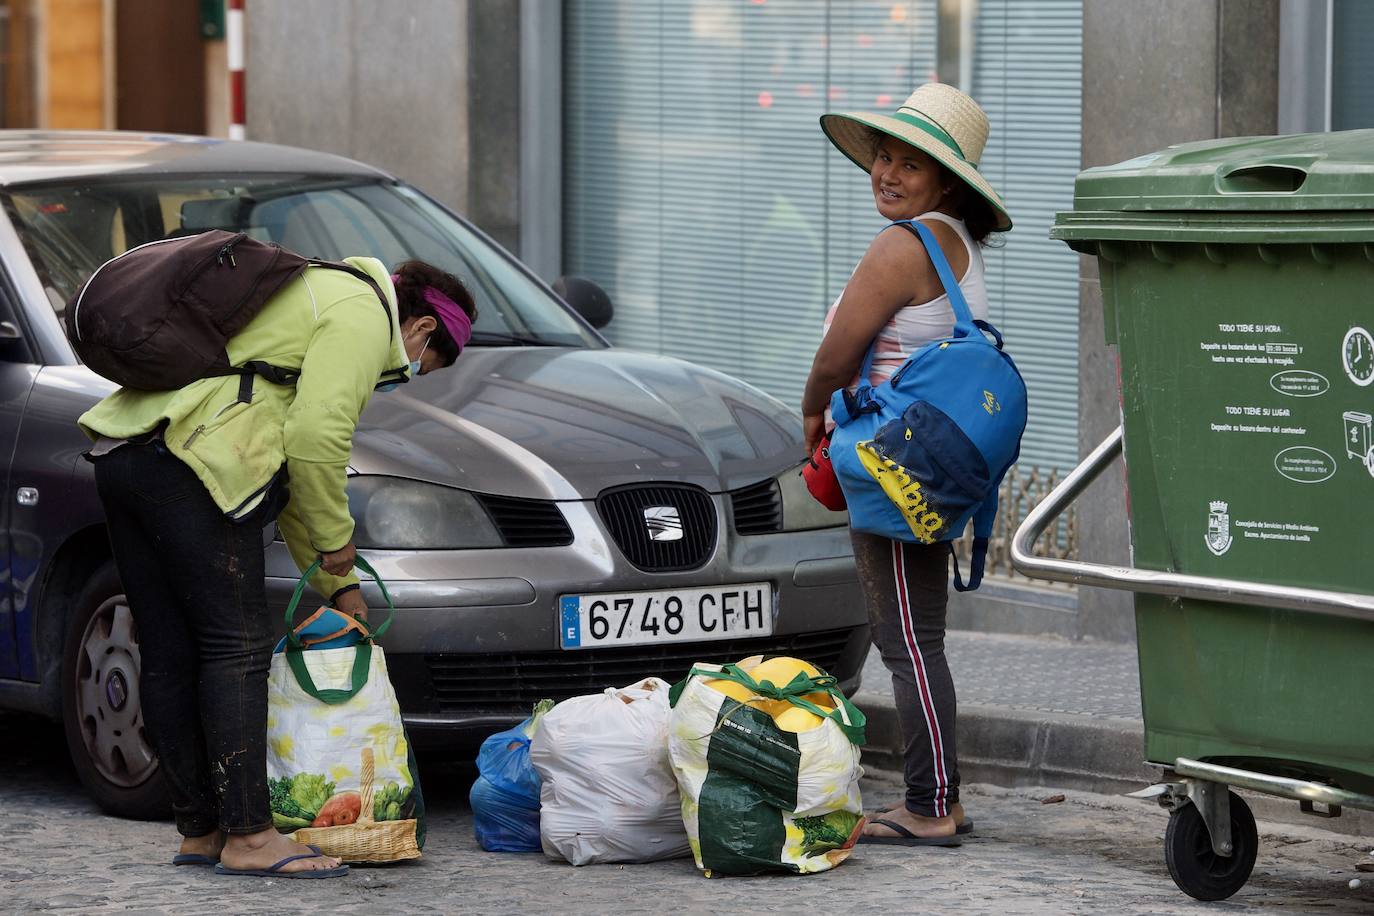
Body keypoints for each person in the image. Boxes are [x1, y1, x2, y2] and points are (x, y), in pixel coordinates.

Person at [78, 255, 476, 877]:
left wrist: (336, 584)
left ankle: (202, 830)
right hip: (196, 463)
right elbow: (316, 441)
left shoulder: (312, 294)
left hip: (131, 451)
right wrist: (340, 546)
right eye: (425, 364)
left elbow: (284, 470)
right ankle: (251, 837)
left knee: (168, 649)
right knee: (235, 647)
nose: (408, 374)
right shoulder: (362, 313)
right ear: (422, 329)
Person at [803, 83, 1012, 846]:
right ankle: (939, 796)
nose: (886, 173)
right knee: (919, 635)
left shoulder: (905, 245)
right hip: (930, 463)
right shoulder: (953, 242)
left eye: (908, 165)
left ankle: (930, 804)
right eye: (881, 157)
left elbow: (837, 356)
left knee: (906, 640)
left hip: (893, 467)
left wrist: (808, 412)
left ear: (946, 180)